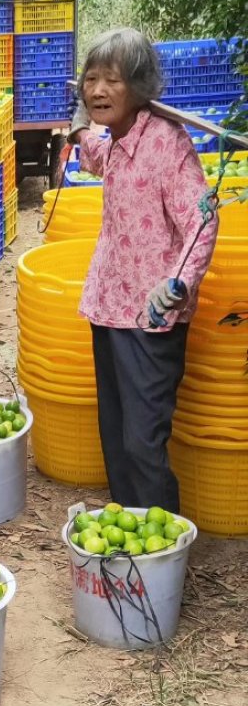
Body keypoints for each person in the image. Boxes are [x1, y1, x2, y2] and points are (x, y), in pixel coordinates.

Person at [71, 28, 218, 511]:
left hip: (149, 317)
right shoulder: (116, 139)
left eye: (111, 79)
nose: (96, 90)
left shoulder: (166, 144)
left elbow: (201, 218)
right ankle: (128, 532)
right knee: (114, 435)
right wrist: (77, 130)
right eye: (90, 79)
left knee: (141, 441)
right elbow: (95, 156)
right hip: (109, 305)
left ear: (138, 85)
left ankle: (160, 550)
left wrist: (176, 282)